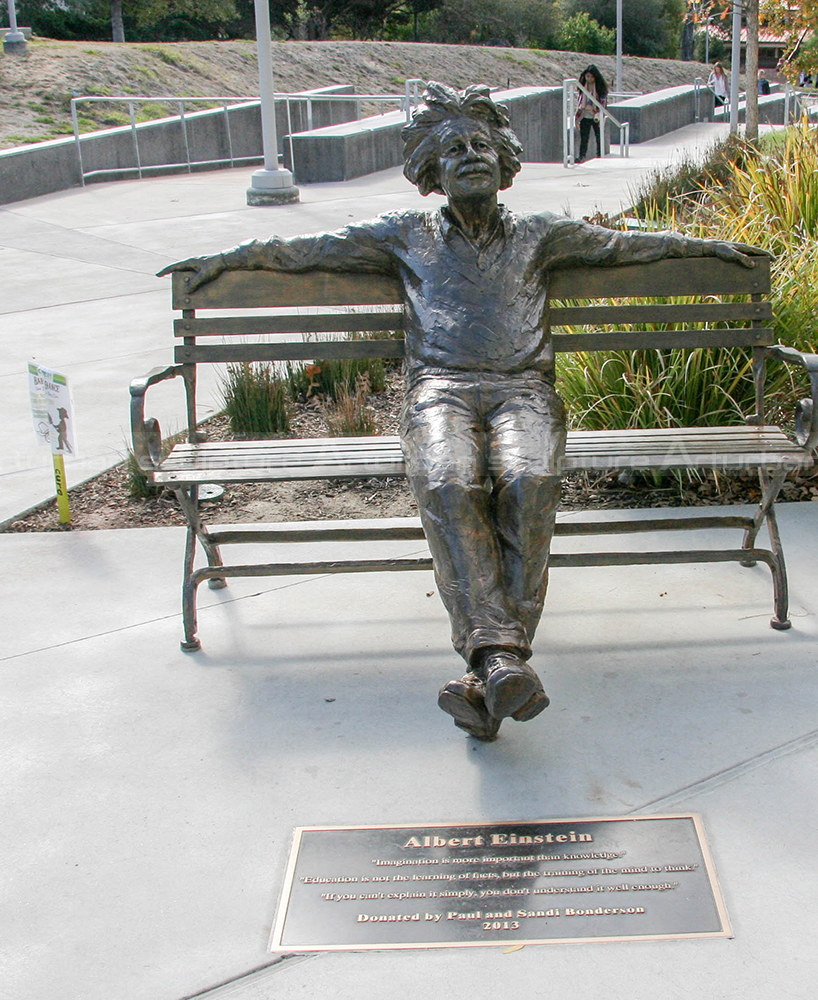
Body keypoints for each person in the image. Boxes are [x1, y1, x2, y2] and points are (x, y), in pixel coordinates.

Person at [158, 83, 763, 741]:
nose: (470, 155)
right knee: (448, 481)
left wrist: (708, 248)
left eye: (481, 145)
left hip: (523, 392)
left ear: (505, 163)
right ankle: (504, 662)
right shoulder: (403, 234)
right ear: (433, 172)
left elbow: (625, 247)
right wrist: (222, 260)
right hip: (439, 393)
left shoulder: (541, 233)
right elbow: (311, 250)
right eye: (454, 149)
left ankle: (489, 670)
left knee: (529, 480)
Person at [575, 64, 608, 163]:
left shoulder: (599, 88)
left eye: (591, 77)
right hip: (585, 114)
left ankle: (599, 155)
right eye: (587, 76)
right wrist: (577, 116)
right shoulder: (583, 87)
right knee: (584, 137)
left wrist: (599, 113)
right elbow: (580, 101)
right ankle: (581, 156)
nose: (589, 79)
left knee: (598, 136)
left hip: (596, 114)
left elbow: (603, 103)